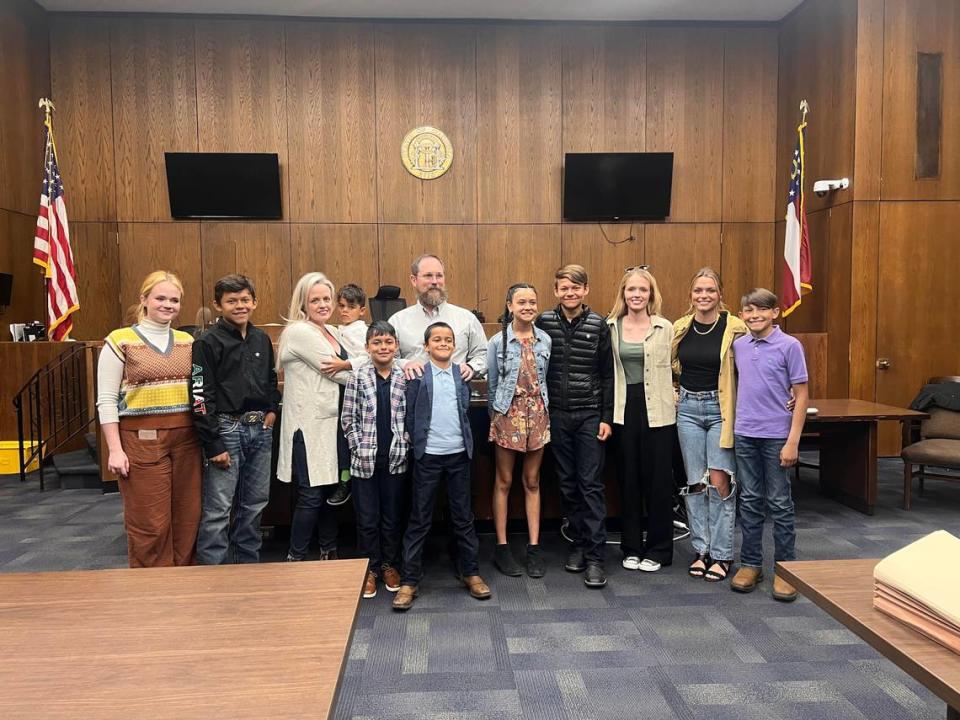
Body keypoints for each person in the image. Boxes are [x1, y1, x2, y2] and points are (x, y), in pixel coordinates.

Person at [97, 271, 201, 567]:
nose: (168, 305)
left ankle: (184, 589)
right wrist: (115, 449)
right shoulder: (120, 341)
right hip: (141, 441)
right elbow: (106, 400)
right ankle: (151, 593)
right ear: (144, 300)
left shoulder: (188, 341)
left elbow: (200, 390)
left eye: (174, 300)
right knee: (150, 524)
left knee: (187, 519)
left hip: (187, 439)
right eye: (160, 298)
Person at [393, 322, 491, 611]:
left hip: (459, 456)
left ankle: (470, 572)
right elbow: (410, 416)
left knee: (463, 517)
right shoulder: (417, 376)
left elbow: (463, 412)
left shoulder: (462, 376)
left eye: (448, 339)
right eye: (437, 339)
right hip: (428, 457)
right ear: (426, 346)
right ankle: (409, 580)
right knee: (420, 518)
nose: (444, 343)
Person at [191, 274, 280, 564]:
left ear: (254, 302)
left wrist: (272, 411)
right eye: (231, 301)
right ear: (218, 305)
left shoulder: (261, 338)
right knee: (219, 509)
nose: (239, 305)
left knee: (254, 505)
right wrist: (212, 443)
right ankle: (212, 574)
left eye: (244, 300)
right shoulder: (206, 343)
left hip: (260, 429)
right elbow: (200, 395)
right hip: (226, 429)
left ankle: (246, 568)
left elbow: (269, 379)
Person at [535, 264, 614, 588]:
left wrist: (606, 417)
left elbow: (608, 374)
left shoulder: (599, 325)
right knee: (567, 485)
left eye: (576, 288)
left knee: (590, 485)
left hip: (589, 416)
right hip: (556, 416)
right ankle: (579, 545)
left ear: (585, 290)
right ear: (556, 291)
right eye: (564, 288)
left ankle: (596, 558)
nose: (570, 293)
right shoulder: (544, 322)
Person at [730, 288, 809, 602]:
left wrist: (793, 441)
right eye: (748, 310)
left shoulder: (790, 346)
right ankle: (751, 564)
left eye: (761, 310)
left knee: (779, 502)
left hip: (777, 435)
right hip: (745, 433)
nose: (754, 316)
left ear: (775, 312)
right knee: (749, 501)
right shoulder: (738, 345)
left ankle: (786, 569)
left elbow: (801, 394)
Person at [672, 268, 747, 583]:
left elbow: (755, 364)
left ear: (720, 294)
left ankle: (722, 554)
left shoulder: (736, 327)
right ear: (691, 296)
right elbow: (669, 363)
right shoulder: (680, 326)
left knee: (719, 483)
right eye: (698, 291)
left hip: (720, 410)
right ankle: (701, 550)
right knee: (694, 485)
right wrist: (674, 391)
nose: (704, 296)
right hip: (687, 409)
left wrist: (786, 393)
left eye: (710, 290)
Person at [276, 272, 352, 561]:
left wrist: (351, 362)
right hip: (307, 427)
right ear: (303, 304)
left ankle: (328, 553)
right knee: (311, 494)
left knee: (329, 490)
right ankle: (295, 557)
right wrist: (357, 365)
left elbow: (347, 365)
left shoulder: (330, 330)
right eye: (315, 300)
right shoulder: (300, 332)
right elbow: (340, 374)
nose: (323, 304)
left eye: (327, 299)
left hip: (330, 425)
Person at [607, 267, 676, 573]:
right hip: (623, 410)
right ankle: (632, 546)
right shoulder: (609, 327)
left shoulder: (666, 327)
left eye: (643, 290)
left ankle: (660, 549)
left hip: (658, 411)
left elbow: (681, 366)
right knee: (628, 480)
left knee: (659, 482)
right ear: (623, 293)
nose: (636, 295)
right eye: (631, 289)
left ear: (651, 294)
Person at [486, 283, 552, 578]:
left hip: (537, 414)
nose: (528, 306)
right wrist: (497, 418)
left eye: (532, 301)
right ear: (510, 306)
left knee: (533, 481)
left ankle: (534, 548)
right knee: (504, 480)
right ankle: (501, 547)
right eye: (521, 302)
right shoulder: (497, 342)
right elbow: (491, 387)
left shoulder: (545, 340)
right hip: (507, 415)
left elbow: (544, 379)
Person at [341, 321, 409, 599]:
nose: (383, 347)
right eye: (377, 343)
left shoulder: (406, 375)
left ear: (396, 346)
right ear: (367, 347)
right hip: (364, 459)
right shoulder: (358, 376)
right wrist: (357, 446)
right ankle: (369, 568)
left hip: (395, 457)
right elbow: (348, 417)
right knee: (367, 518)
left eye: (388, 342)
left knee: (392, 517)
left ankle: (389, 565)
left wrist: (405, 441)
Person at [388, 254, 487, 380]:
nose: (435, 282)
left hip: (456, 392)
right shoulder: (397, 321)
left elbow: (483, 354)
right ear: (414, 280)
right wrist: (405, 364)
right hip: (413, 394)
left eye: (439, 276)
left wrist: (471, 367)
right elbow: (386, 358)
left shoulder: (467, 318)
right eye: (428, 276)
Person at [320, 282, 371, 506]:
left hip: (359, 391)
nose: (344, 310)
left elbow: (369, 356)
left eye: (350, 306)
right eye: (340, 306)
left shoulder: (362, 331)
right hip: (343, 390)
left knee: (350, 437)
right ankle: (344, 476)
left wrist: (346, 364)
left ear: (362, 310)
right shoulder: (339, 330)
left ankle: (347, 479)